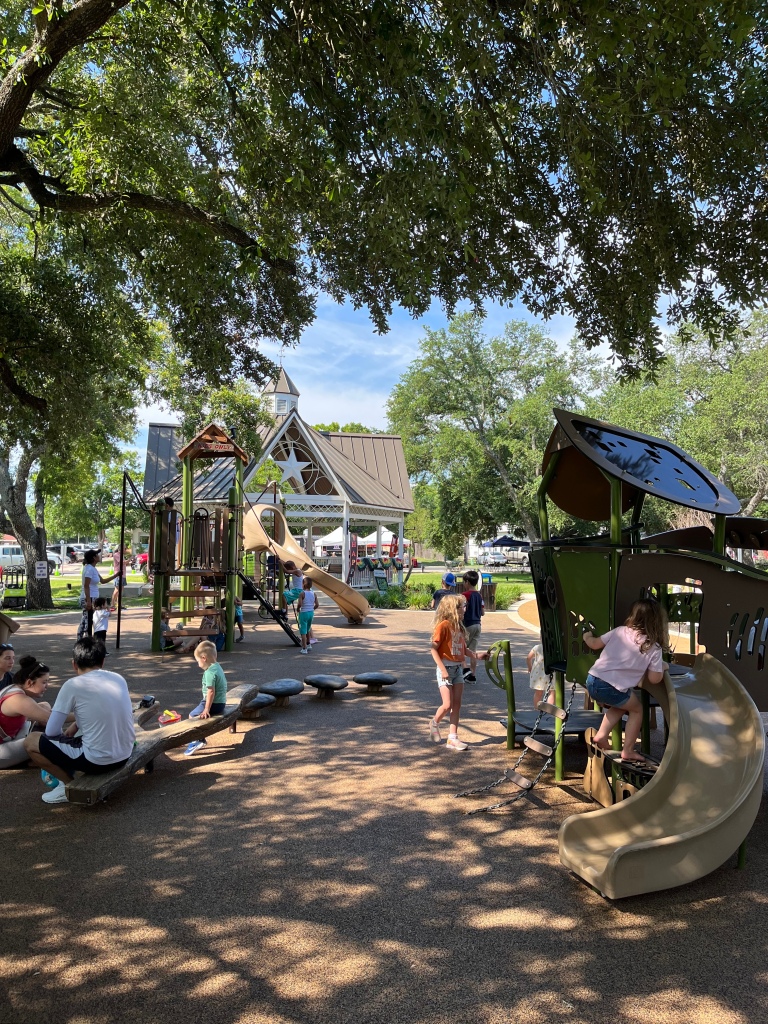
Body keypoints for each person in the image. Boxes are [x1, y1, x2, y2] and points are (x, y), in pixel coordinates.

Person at [24, 638, 135, 805]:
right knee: (84, 735)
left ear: (74, 664)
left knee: (31, 741)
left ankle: (69, 787)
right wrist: (76, 725)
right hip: (125, 753)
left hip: (98, 760)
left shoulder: (72, 685)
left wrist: (67, 735)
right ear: (103, 662)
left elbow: (51, 731)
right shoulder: (118, 678)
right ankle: (70, 781)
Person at [582, 599, 669, 766]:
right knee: (637, 709)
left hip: (592, 680)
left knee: (622, 704)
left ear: (633, 616)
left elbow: (594, 644)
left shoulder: (620, 631)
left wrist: (587, 636)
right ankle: (628, 750)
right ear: (657, 622)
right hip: (609, 686)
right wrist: (662, 667)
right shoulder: (653, 646)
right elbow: (654, 679)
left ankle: (601, 735)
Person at [429, 593, 487, 751]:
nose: (465, 609)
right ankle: (434, 722)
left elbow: (463, 649)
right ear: (452, 609)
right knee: (447, 704)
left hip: (457, 669)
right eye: (462, 606)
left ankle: (452, 738)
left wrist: (477, 656)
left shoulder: (460, 627)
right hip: (445, 669)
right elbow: (433, 650)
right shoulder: (444, 626)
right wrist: (442, 670)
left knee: (457, 705)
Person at [0, 654, 54, 768]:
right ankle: (31, 760)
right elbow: (52, 718)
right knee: (41, 739)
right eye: (44, 682)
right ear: (29, 682)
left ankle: (28, 758)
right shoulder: (18, 699)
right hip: (2, 750)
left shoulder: (13, 688)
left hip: (7, 740)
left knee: (44, 706)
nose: (47, 686)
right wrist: (81, 715)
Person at [185, 641, 228, 755]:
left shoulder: (209, 672)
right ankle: (198, 738)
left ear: (203, 658)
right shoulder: (217, 667)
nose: (197, 663)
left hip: (214, 703)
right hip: (221, 702)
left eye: (197, 660)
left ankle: (198, 739)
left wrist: (206, 709)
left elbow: (211, 691)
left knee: (192, 716)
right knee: (196, 713)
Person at [77, 550, 117, 641]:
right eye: (97, 554)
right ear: (93, 558)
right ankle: (86, 643)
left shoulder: (93, 568)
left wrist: (116, 575)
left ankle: (83, 641)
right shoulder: (89, 569)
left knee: (87, 621)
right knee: (87, 622)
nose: (99, 555)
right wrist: (88, 601)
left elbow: (102, 581)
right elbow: (86, 585)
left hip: (93, 597)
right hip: (88, 598)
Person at [461, 571, 484, 681]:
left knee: (460, 648)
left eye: (464, 582)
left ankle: (465, 670)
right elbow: (483, 612)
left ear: (467, 582)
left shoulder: (465, 595)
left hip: (467, 625)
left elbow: (462, 610)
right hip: (478, 625)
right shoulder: (479, 596)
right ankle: (473, 675)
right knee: (473, 651)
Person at [297, 577, 318, 653]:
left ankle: (304, 647)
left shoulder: (302, 593)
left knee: (303, 631)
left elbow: (300, 604)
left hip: (304, 613)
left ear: (303, 584)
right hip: (311, 613)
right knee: (308, 628)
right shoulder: (314, 593)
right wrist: (312, 609)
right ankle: (309, 644)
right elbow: (317, 604)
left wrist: (298, 609)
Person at [526, 642, 548, 708]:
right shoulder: (554, 648)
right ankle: (549, 712)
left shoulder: (537, 647)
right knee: (551, 693)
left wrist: (530, 667)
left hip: (538, 674)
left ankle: (536, 709)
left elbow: (528, 658)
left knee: (538, 693)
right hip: (550, 673)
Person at [110, 545, 128, 611]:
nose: (126, 550)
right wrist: (130, 558)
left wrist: (130, 561)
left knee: (121, 590)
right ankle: (112, 604)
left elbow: (124, 564)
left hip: (123, 575)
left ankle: (119, 605)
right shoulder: (116, 555)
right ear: (120, 549)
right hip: (118, 575)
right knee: (117, 590)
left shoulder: (122, 555)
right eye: (125, 548)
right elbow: (123, 562)